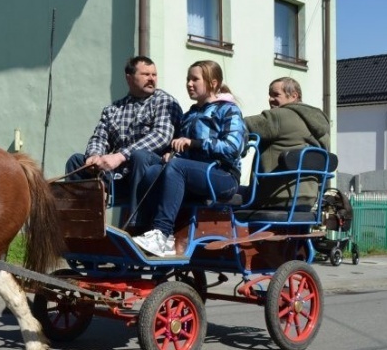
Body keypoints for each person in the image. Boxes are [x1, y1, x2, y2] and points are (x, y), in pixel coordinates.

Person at [132, 60, 247, 257]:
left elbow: (233, 148)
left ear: (213, 83)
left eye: (195, 79)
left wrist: (195, 143)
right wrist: (173, 153)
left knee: (176, 167)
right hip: (195, 173)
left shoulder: (229, 110)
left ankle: (163, 234)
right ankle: (146, 229)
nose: (189, 84)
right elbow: (184, 153)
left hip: (223, 176)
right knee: (153, 171)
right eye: (188, 79)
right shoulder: (191, 113)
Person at [65, 55, 182, 226]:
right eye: (146, 74)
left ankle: (136, 226)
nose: (151, 79)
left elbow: (162, 135)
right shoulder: (113, 109)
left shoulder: (164, 101)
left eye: (154, 75)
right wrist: (95, 156)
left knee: (140, 156)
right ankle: (82, 222)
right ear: (129, 77)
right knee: (77, 161)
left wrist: (120, 156)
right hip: (118, 177)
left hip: (152, 175)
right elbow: (100, 137)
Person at [245, 77, 331, 209]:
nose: (270, 99)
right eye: (270, 95)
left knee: (224, 198)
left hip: (274, 196)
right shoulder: (320, 126)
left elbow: (239, 126)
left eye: (276, 95)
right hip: (308, 198)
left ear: (293, 96)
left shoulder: (279, 116)